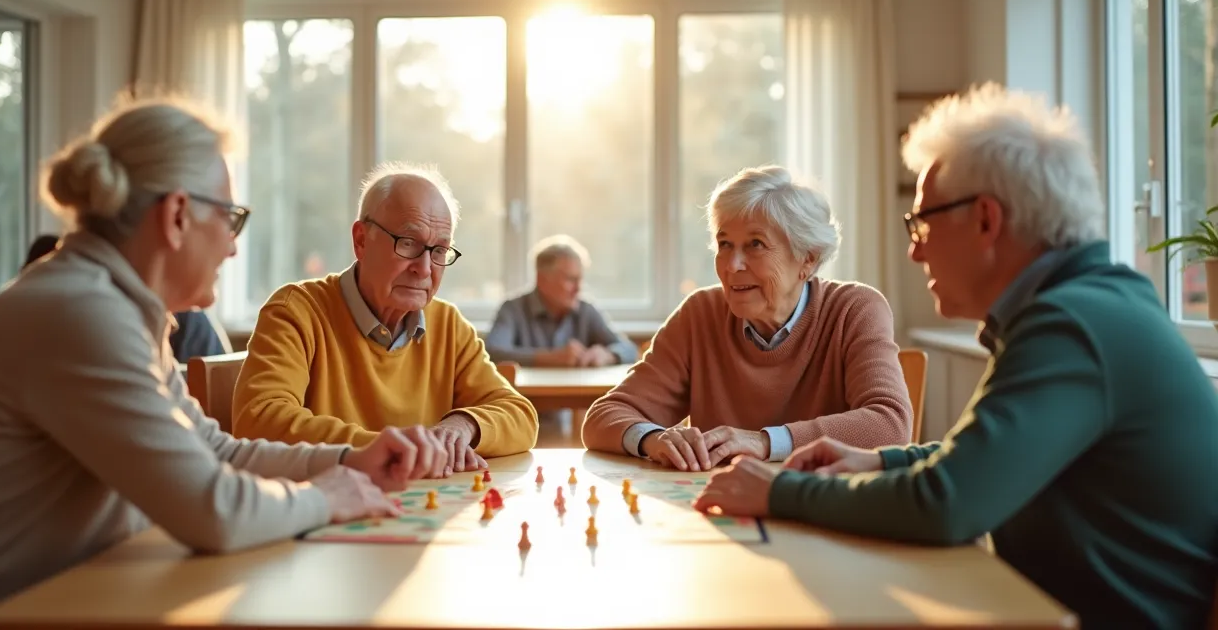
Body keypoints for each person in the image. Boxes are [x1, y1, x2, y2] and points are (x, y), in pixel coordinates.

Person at [0, 99, 451, 630]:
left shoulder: (111, 303)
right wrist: (326, 495)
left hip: (57, 602)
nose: (233, 250)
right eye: (230, 220)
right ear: (176, 215)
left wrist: (351, 459)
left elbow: (215, 452)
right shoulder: (78, 311)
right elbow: (212, 510)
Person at [695, 85, 1218, 629]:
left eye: (922, 223)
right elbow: (987, 459)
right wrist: (881, 459)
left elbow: (947, 505)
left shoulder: (1072, 325)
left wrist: (780, 490)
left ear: (986, 220)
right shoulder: (1088, 305)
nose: (915, 249)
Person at [581, 165, 912, 471]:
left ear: (807, 259)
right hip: (723, 510)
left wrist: (764, 442)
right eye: (725, 244)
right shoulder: (700, 314)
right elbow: (602, 418)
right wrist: (653, 439)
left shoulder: (855, 310)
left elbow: (889, 424)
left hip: (821, 508)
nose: (732, 265)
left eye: (755, 244)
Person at [231, 162, 538, 474]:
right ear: (361, 240)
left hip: (427, 514)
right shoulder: (295, 311)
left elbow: (520, 416)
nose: (424, 268)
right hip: (326, 510)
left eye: (439, 250)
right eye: (408, 243)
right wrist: (390, 449)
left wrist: (462, 426)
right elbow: (259, 421)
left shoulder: (448, 325)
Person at [485, 235, 637, 367]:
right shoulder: (512, 309)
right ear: (542, 280)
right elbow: (492, 352)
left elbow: (629, 349)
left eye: (580, 280)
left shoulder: (586, 310)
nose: (578, 288)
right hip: (526, 398)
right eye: (571, 279)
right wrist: (550, 358)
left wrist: (608, 355)